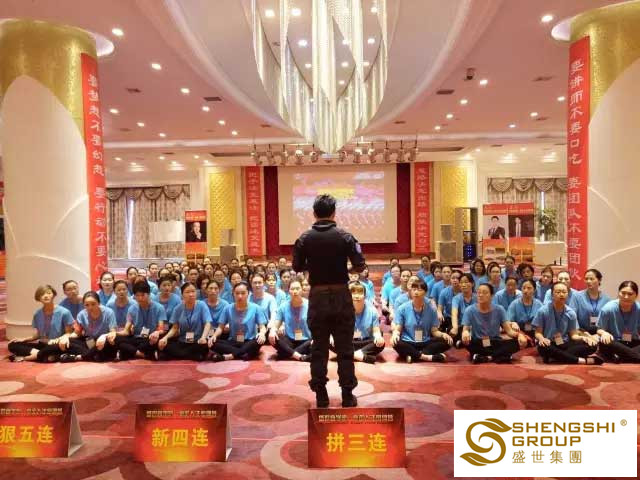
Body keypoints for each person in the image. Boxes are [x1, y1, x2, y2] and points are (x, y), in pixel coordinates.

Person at [292, 194, 365, 408]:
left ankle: (321, 396)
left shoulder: (304, 238)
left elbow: (297, 266)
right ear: (334, 213)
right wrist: (344, 269)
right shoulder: (346, 236)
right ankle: (347, 395)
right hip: (341, 296)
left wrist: (314, 267)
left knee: (319, 348)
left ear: (314, 213)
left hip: (317, 298)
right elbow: (360, 265)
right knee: (345, 348)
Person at [533, 281, 601, 364]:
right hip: (549, 342)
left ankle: (556, 357)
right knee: (543, 347)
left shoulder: (571, 313)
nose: (561, 294)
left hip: (564, 343)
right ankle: (582, 361)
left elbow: (573, 335)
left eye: (564, 292)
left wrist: (584, 338)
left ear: (567, 294)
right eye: (558, 292)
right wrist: (542, 339)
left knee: (592, 345)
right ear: (552, 295)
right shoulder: (543, 311)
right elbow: (538, 333)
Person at [8, 285, 75, 362]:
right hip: (43, 345)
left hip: (56, 344)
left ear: (53, 295)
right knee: (12, 345)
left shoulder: (64, 312)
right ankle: (42, 355)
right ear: (38, 298)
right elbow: (38, 335)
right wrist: (24, 339)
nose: (46, 296)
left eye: (49, 293)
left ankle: (26, 358)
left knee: (59, 347)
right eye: (42, 294)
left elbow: (69, 333)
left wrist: (59, 339)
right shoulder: (37, 314)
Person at [392, 280, 453, 363]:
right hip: (408, 342)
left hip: (425, 342)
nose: (416, 292)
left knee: (448, 341)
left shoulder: (432, 310)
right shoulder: (402, 308)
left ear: (425, 292)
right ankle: (427, 357)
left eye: (419, 290)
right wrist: (395, 334)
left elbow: (434, 331)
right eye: (414, 289)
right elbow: (398, 329)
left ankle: (413, 355)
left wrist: (443, 334)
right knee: (396, 343)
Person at [461, 283, 523, 363]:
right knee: (467, 342)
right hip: (479, 342)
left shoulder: (499, 309)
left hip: (495, 341)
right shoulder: (470, 310)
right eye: (479, 292)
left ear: (492, 295)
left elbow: (509, 331)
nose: (480, 295)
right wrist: (465, 333)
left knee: (517, 343)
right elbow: (465, 329)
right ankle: (501, 356)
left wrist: (519, 335)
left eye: (484, 292)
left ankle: (485, 357)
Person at [210, 282, 267, 361]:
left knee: (258, 341)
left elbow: (262, 327)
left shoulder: (256, 308)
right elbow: (220, 327)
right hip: (233, 341)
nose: (240, 296)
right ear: (233, 294)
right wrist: (214, 336)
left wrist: (262, 334)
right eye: (237, 293)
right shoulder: (227, 308)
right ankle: (244, 354)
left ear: (248, 293)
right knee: (212, 342)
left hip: (249, 341)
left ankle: (229, 356)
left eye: (243, 293)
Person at [158, 282, 212, 361]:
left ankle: (178, 355)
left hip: (198, 341)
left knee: (203, 346)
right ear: (182, 295)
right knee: (165, 345)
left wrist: (203, 337)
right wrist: (165, 338)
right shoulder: (178, 308)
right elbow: (174, 328)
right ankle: (193, 356)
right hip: (183, 341)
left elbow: (207, 323)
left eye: (193, 291)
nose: (191, 294)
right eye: (187, 292)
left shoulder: (202, 305)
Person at [335, 281, 384, 364]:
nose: (356, 296)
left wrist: (378, 337)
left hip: (365, 342)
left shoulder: (372, 311)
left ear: (365, 295)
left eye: (360, 293)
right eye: (353, 293)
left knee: (381, 343)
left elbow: (376, 331)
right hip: (348, 342)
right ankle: (364, 357)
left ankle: (349, 354)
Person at [116, 281, 166, 360]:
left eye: (142, 295)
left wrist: (157, 332)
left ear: (149, 294)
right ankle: (141, 353)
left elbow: (161, 328)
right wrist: (113, 333)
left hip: (150, 338)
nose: (140, 298)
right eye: (137, 295)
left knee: (156, 340)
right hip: (136, 338)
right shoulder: (131, 309)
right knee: (118, 340)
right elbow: (126, 331)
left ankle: (132, 352)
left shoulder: (159, 308)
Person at [63, 291, 118, 362]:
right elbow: (77, 333)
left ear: (99, 303)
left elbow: (112, 332)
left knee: (113, 341)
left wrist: (104, 336)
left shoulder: (109, 312)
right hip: (89, 341)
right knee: (69, 342)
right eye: (87, 305)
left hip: (104, 341)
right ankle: (94, 355)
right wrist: (66, 337)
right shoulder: (81, 314)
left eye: (93, 304)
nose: (90, 307)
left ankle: (80, 357)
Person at [597, 281, 640, 363]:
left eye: (630, 294)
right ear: (618, 293)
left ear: (636, 295)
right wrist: (604, 333)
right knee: (604, 343)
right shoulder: (608, 309)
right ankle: (631, 356)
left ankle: (620, 357)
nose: (626, 297)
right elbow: (599, 330)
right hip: (614, 342)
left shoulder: (639, 309)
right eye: (623, 293)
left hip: (632, 342)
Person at [269, 280, 312, 361]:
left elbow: (317, 324)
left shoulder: (310, 304)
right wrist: (272, 331)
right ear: (289, 291)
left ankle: (288, 353)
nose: (295, 291)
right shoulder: (283, 306)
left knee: (318, 345)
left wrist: (315, 339)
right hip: (290, 340)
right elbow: (276, 325)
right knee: (273, 338)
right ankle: (300, 356)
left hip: (307, 340)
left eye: (297, 288)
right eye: (292, 289)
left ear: (302, 290)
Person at [574, 269, 611, 334]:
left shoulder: (606, 299)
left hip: (600, 333)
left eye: (591, 279)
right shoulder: (577, 296)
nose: (588, 281)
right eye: (586, 279)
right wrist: (580, 333)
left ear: (599, 280)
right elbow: (573, 317)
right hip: (582, 333)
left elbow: (608, 320)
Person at [451, 273, 476, 344]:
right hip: (461, 326)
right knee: (452, 331)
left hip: (475, 326)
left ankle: (462, 342)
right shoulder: (456, 298)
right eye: (461, 282)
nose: (463, 285)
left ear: (472, 284)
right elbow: (454, 314)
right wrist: (455, 327)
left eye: (466, 282)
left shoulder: (478, 297)